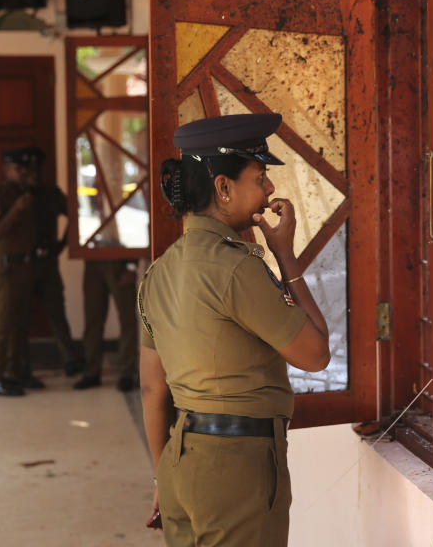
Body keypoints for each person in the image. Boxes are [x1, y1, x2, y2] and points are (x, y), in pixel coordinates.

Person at [138, 114, 331, 546]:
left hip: (178, 464)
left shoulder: (159, 272)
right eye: (260, 177)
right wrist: (286, 256)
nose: (269, 190)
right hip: (236, 470)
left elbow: (153, 390)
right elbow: (316, 355)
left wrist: (161, 475)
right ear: (223, 188)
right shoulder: (237, 268)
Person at [0, 146, 83, 397]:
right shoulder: (1, 196)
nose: (24, 173)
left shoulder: (34, 194)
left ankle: (17, 373)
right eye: (19, 168)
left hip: (26, 266)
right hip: (7, 268)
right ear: (6, 169)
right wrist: (16, 209)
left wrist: (59, 246)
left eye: (27, 169)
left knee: (20, 325)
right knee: (3, 326)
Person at [74, 258, 140, 391]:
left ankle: (127, 373)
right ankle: (92, 371)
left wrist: (132, 267)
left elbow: (136, 237)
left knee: (127, 321)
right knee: (92, 319)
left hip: (121, 261)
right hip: (93, 258)